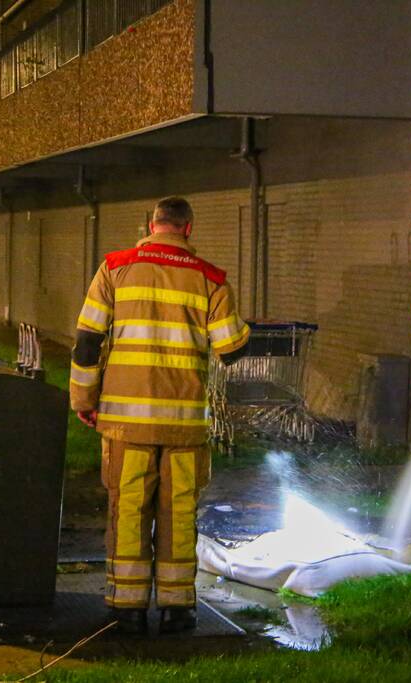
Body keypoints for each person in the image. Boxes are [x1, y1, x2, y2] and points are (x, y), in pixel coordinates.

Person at [70, 196, 250, 634]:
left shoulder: (114, 268)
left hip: (126, 423)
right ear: (187, 229)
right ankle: (177, 608)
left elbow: (88, 341)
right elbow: (231, 347)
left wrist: (83, 399)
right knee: (178, 511)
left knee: (129, 506)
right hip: (184, 425)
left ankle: (127, 608)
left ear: (151, 225)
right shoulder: (209, 279)